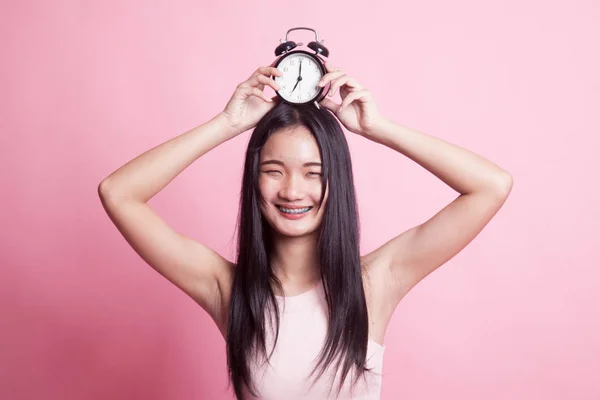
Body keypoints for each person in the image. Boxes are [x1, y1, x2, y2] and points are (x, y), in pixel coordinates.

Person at [98, 61, 513, 399]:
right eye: (274, 171)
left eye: (313, 173)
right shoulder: (228, 289)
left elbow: (491, 186)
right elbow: (118, 193)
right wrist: (227, 124)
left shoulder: (375, 282)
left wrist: (378, 129)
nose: (293, 191)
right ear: (253, 179)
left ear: (337, 182)